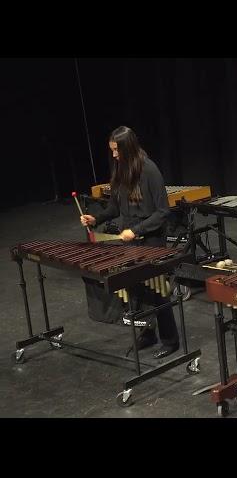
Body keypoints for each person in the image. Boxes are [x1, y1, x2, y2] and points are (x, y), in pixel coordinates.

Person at [80, 126, 180, 359]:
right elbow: (115, 207)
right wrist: (96, 218)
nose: (114, 155)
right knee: (136, 288)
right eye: (112, 151)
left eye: (117, 150)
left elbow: (163, 212)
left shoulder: (150, 170)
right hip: (130, 237)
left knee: (158, 290)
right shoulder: (120, 169)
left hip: (151, 238)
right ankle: (147, 333)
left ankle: (170, 339)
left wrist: (135, 230)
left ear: (127, 148)